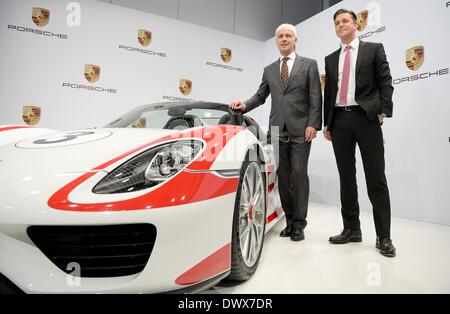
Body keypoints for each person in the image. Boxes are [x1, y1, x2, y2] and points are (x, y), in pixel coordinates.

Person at [230, 24, 322, 242]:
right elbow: (260, 96)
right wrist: (243, 104)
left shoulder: (309, 64)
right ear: (276, 41)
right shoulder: (270, 69)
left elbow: (315, 97)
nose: (284, 39)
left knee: (299, 175)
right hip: (276, 130)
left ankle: (300, 224)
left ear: (295, 40)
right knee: (282, 177)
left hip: (302, 128)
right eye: (280, 36)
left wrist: (314, 124)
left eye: (288, 36)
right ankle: (290, 222)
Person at [323, 9, 396, 257]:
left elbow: (386, 81)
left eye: (345, 21)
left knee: (376, 178)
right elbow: (329, 94)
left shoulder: (374, 49)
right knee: (346, 178)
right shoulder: (331, 58)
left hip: (366, 118)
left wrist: (384, 109)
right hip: (339, 120)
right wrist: (327, 123)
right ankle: (352, 229)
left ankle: (383, 236)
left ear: (356, 25)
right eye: (337, 23)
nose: (341, 25)